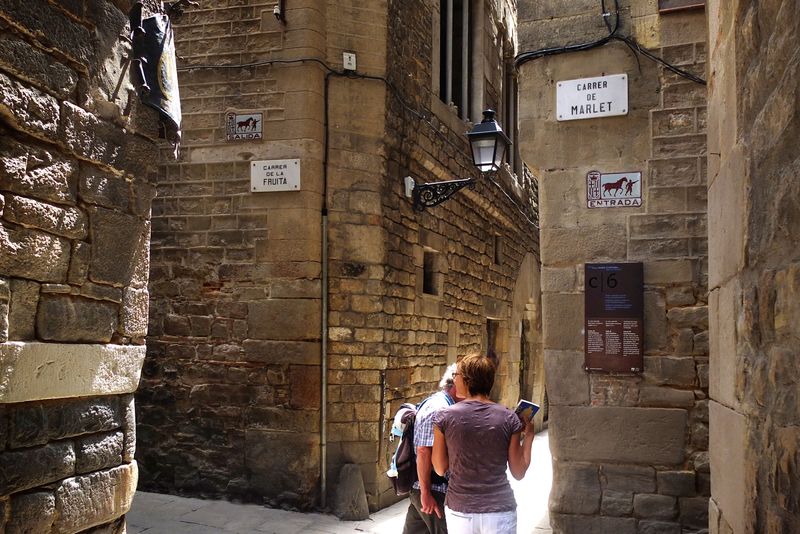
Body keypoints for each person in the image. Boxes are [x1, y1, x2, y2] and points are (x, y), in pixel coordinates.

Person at [431, 354, 535, 534]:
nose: (454, 379)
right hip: (499, 510)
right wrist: (530, 437)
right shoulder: (509, 418)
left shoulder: (444, 418)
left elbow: (440, 468)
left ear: (467, 380)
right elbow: (518, 472)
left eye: (456, 375)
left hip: (460, 508)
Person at [403, 363, 462, 534]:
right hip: (434, 490)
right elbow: (423, 451)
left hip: (426, 489)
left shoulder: (443, 404)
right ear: (456, 384)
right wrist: (426, 493)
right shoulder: (439, 408)